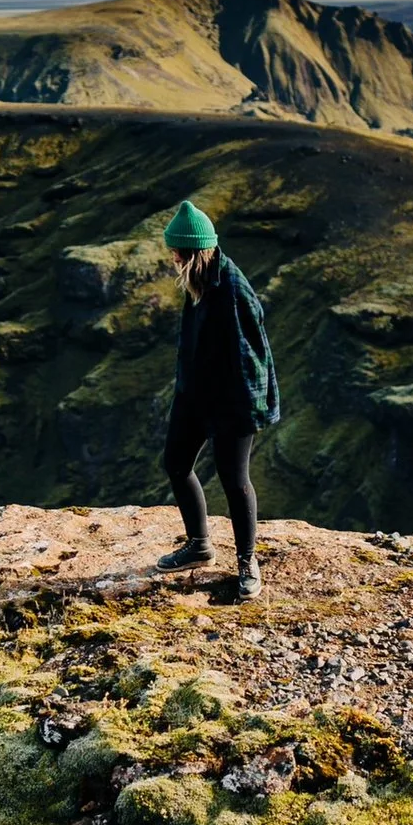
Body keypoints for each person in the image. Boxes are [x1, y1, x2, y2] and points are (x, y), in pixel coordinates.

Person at [154, 200, 281, 599]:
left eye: (176, 251)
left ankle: (247, 562)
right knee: (175, 463)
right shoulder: (199, 281)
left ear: (192, 252)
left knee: (234, 479)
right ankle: (200, 546)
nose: (172, 257)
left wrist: (246, 412)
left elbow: (253, 357)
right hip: (195, 394)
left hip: (232, 402)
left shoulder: (232, 290)